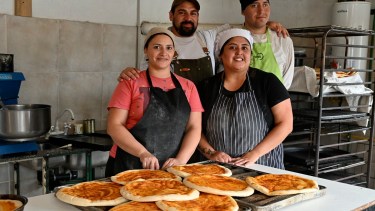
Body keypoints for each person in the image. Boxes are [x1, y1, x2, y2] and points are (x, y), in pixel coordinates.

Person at [105, 27, 203, 176]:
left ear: (174, 52)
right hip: (128, 165)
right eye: (157, 47)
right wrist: (142, 153)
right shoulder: (130, 82)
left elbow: (194, 128)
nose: (164, 53)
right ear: (146, 50)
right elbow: (114, 126)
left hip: (171, 168)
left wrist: (181, 160)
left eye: (169, 48)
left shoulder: (188, 87)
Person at [119, 0, 289, 84]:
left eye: (193, 13)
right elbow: (143, 77)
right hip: (173, 113)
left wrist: (268, 24)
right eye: (182, 13)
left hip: (204, 111)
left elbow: (246, 27)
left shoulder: (207, 37)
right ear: (171, 16)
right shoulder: (160, 43)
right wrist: (128, 73)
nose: (188, 18)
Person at [197, 28, 293, 169]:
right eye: (232, 47)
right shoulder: (206, 87)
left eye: (245, 47)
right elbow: (194, 128)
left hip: (263, 168)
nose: (239, 52)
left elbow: (286, 124)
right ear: (221, 55)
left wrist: (255, 153)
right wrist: (211, 153)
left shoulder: (267, 82)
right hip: (218, 169)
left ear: (250, 54)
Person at [240, 0, 294, 89]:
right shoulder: (231, 39)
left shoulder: (283, 40)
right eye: (254, 5)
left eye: (265, 5)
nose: (261, 11)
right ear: (243, 11)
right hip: (239, 101)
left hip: (274, 101)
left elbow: (285, 83)